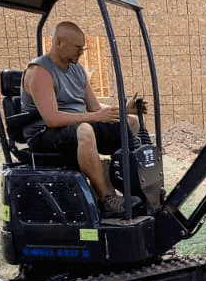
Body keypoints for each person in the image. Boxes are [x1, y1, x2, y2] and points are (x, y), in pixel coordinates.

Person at [20, 21, 144, 215]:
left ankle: (139, 189)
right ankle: (107, 199)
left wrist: (123, 111)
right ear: (59, 43)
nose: (81, 52)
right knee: (85, 129)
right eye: (77, 48)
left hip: (77, 127)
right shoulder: (40, 73)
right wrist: (95, 117)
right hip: (45, 135)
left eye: (82, 48)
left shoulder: (77, 69)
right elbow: (52, 119)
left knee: (130, 123)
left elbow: (95, 107)